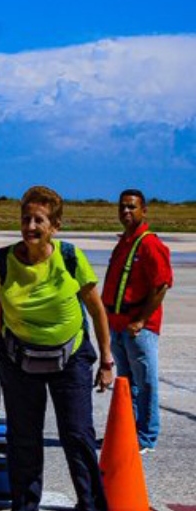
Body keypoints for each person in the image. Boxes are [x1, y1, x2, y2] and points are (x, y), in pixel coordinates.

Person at [0, 186, 114, 511]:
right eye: (26, 219)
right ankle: (23, 510)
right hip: (19, 358)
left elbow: (96, 309)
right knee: (23, 438)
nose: (30, 226)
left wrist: (106, 359)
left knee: (77, 437)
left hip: (70, 357)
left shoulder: (71, 258)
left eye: (39, 220)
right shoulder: (3, 260)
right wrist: (2, 349)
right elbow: (0, 307)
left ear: (55, 226)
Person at [102, 189, 173, 455]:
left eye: (132, 207)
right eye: (122, 207)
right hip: (118, 325)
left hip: (138, 329)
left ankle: (146, 436)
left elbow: (162, 284)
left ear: (144, 211)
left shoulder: (149, 244)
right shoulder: (125, 242)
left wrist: (141, 320)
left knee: (145, 383)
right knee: (125, 383)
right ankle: (126, 432)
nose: (126, 212)